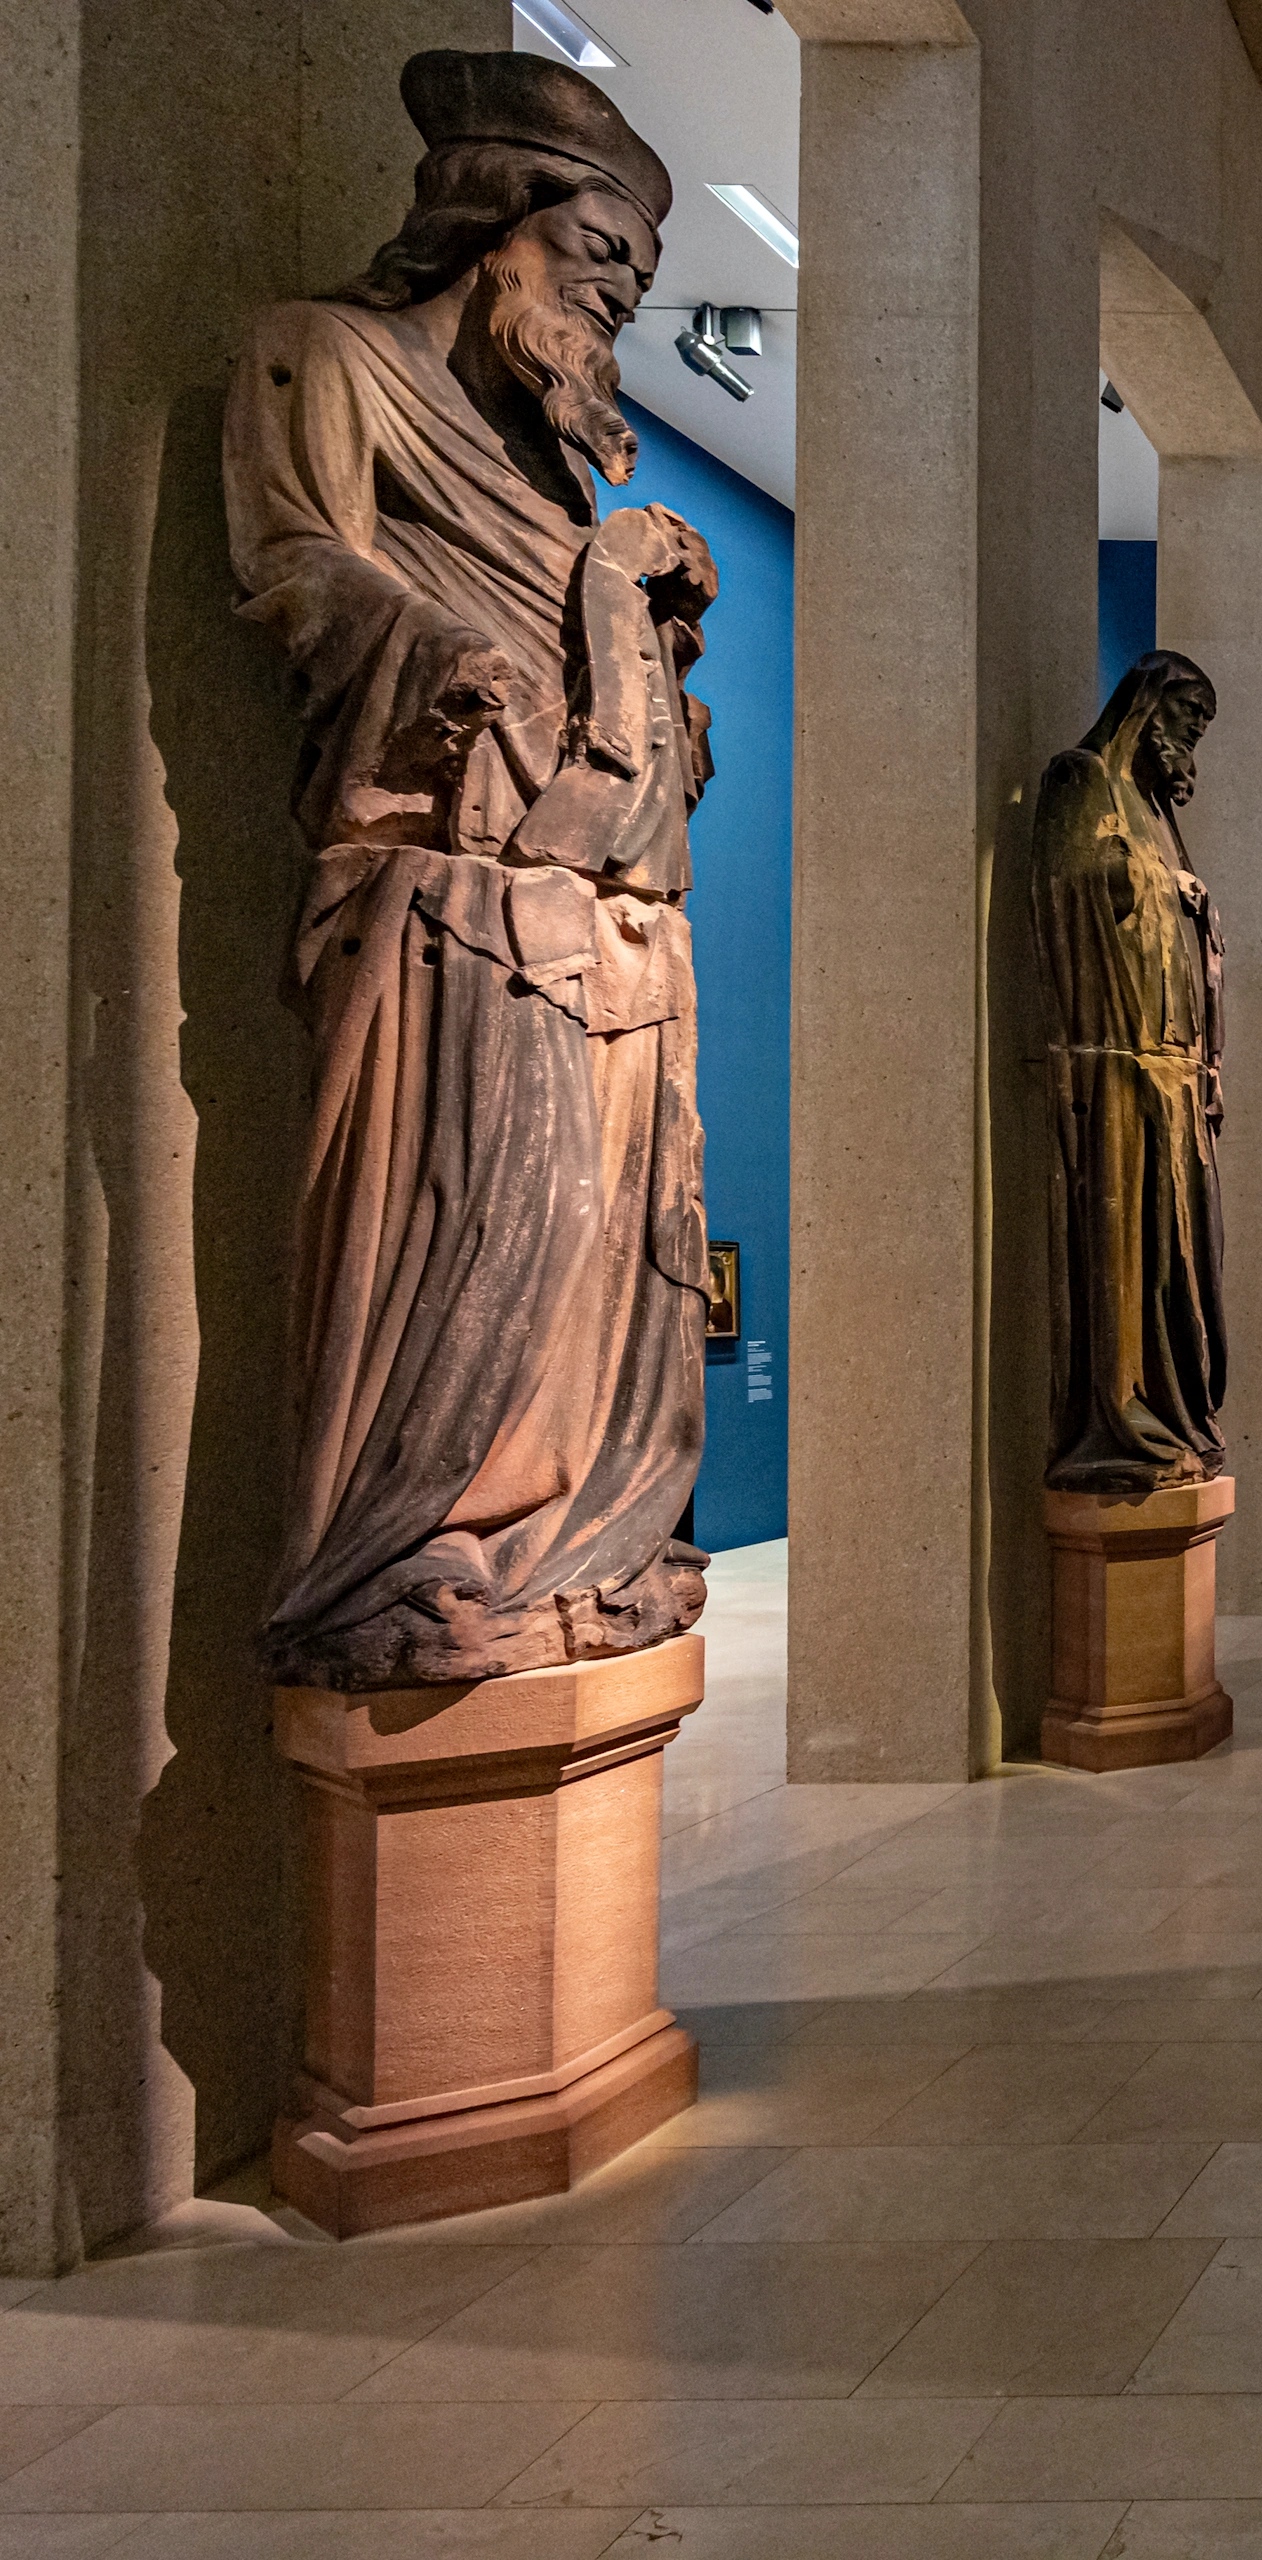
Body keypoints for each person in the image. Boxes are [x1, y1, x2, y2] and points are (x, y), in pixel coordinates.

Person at [228, 49, 714, 1684]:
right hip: (454, 915)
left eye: (634, 293)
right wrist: (480, 646)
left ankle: (579, 1543)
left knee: (608, 1259)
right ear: (494, 224)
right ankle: (425, 1552)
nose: (612, 314)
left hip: (611, 922)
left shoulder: (565, 477)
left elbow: (636, 732)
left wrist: (642, 610)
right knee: (488, 1237)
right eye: (598, 269)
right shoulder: (330, 365)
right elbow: (300, 571)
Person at [1035, 651, 1229, 1497]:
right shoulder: (1083, 781)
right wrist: (1164, 884)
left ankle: (1177, 1409)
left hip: (1175, 1076)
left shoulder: (1154, 814)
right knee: (1126, 1247)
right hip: (1115, 1066)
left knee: (1182, 1261)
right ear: (1147, 712)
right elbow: (1075, 889)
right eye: (1186, 721)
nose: (1190, 742)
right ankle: (1123, 1416)